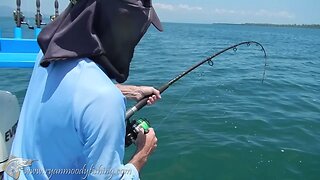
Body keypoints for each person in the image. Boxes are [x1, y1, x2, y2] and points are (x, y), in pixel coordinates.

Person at [4, 0, 163, 179]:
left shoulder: (49, 53)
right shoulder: (104, 100)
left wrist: (130, 91)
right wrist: (142, 154)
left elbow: (70, 91)